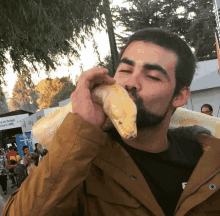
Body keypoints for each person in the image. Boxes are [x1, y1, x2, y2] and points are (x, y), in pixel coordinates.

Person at [3, 28, 220, 216]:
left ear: (180, 96)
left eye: (152, 76)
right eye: (125, 70)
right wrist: (81, 127)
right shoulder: (79, 160)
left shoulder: (210, 161)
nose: (131, 83)